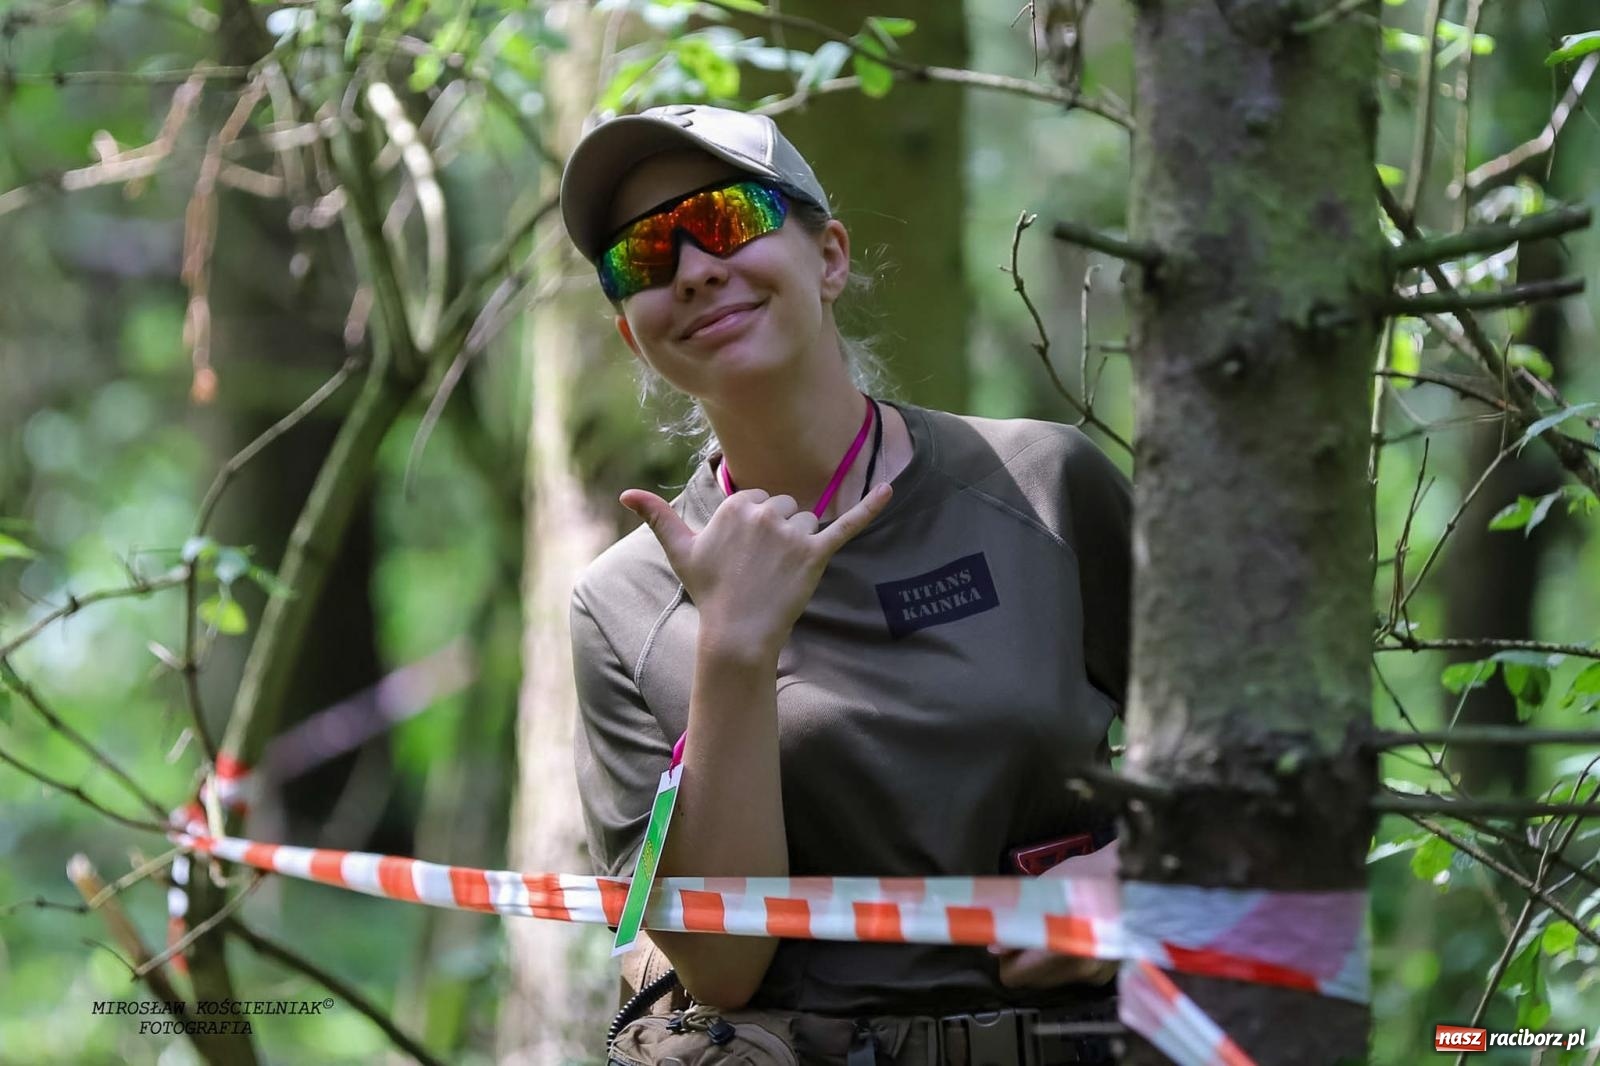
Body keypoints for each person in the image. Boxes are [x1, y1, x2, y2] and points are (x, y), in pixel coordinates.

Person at [561, 104, 1132, 1066]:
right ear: (631, 332)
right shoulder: (619, 607)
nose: (694, 268)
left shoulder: (1045, 485)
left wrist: (1138, 876)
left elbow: (1256, 764)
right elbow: (722, 967)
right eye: (646, 253)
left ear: (830, 258)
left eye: (731, 218)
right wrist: (735, 647)